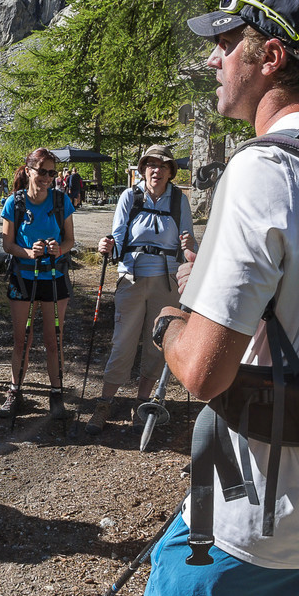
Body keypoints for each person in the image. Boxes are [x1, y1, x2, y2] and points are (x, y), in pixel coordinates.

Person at [101, 0, 299, 596]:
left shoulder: (264, 171)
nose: (212, 59)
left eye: (227, 44)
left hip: (258, 517)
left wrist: (171, 320)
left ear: (271, 57)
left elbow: (203, 372)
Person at [90, 145, 197, 435]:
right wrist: (106, 246)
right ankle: (104, 403)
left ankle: (142, 403)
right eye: (151, 165)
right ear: (143, 169)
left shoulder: (179, 201)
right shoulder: (130, 196)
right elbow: (117, 239)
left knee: (157, 344)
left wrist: (190, 247)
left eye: (162, 166)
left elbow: (189, 246)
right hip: (132, 278)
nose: (156, 170)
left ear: (171, 172)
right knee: (122, 342)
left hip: (167, 281)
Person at [0, 148, 77, 419]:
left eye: (52, 173)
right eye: (42, 171)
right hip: (23, 278)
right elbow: (7, 244)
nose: (47, 178)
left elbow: (70, 240)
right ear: (29, 170)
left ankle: (56, 395)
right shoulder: (15, 202)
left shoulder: (61, 201)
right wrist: (29, 252)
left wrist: (59, 249)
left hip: (54, 277)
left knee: (54, 341)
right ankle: (14, 392)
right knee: (22, 340)